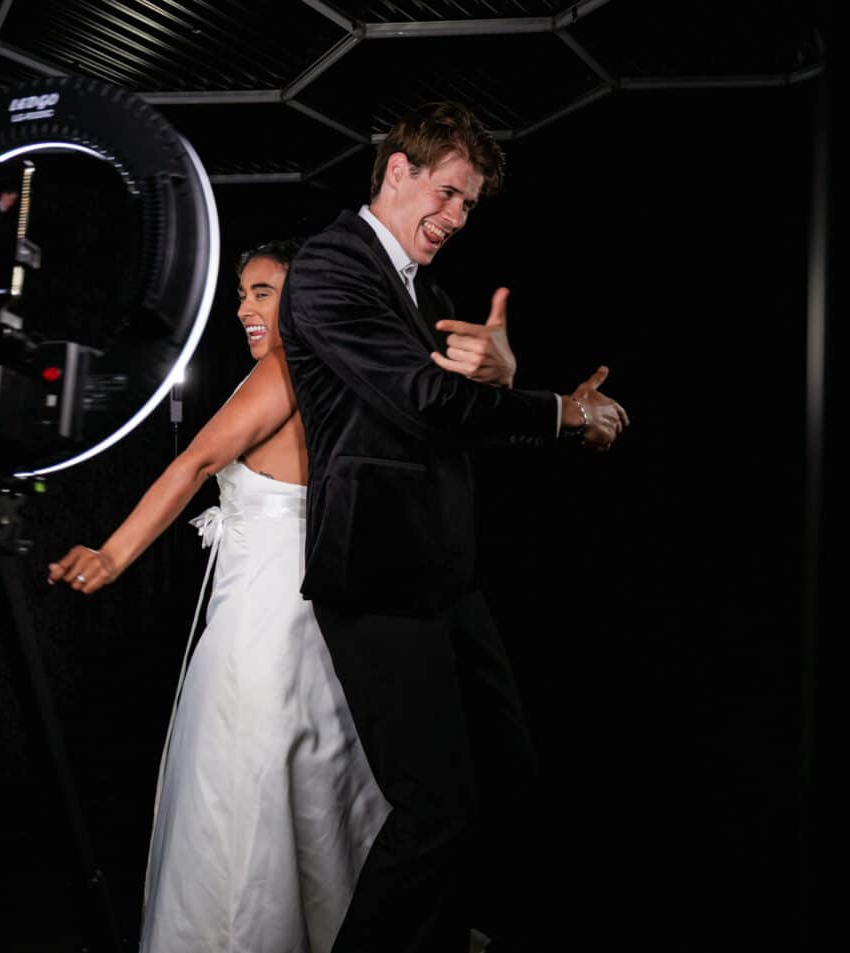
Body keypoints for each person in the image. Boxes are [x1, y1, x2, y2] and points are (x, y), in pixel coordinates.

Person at [279, 101, 630, 952]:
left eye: (469, 205)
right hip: (376, 576)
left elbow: (463, 408)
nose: (455, 218)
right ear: (397, 170)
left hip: (446, 573)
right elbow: (431, 403)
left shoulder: (425, 289)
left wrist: (507, 382)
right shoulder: (329, 269)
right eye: (447, 192)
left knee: (507, 775)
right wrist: (558, 411)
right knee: (434, 810)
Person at [48, 240, 395, 953]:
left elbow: (195, 459)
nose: (244, 306)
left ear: (307, 298)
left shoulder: (285, 370)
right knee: (298, 788)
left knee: (240, 795)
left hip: (261, 629)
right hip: (295, 619)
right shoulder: (337, 374)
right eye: (242, 293)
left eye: (263, 291)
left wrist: (113, 554)